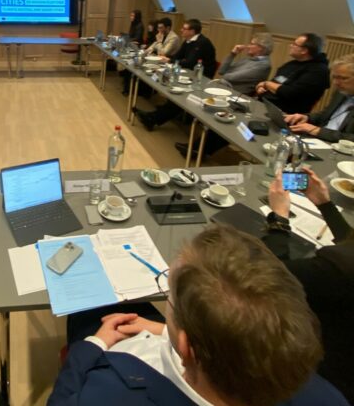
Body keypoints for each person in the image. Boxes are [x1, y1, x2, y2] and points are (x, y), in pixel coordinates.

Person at [48, 225, 346, 405]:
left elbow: (63, 399)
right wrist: (162, 329)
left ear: (187, 349)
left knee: (87, 309)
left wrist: (93, 345)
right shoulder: (326, 396)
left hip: (107, 352)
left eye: (169, 296)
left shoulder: (107, 394)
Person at [265, 166, 354, 402]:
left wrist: (279, 217)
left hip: (318, 376)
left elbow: (272, 277)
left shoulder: (337, 270)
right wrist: (324, 204)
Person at [174, 33, 273, 158]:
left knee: (217, 120)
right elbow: (222, 71)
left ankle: (196, 150)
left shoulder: (263, 65)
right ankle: (195, 146)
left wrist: (224, 78)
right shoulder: (248, 59)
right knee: (188, 93)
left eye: (252, 44)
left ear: (261, 48)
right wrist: (232, 54)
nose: (248, 46)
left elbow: (229, 77)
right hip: (224, 92)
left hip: (237, 100)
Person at [133, 20, 216, 130]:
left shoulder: (202, 42)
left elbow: (190, 62)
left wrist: (169, 60)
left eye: (184, 28)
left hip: (201, 79)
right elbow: (178, 56)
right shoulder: (188, 41)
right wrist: (168, 59)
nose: (181, 30)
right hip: (188, 73)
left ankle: (152, 119)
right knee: (170, 86)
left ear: (192, 31)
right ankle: (155, 115)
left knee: (178, 95)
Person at [284, 53, 354, 142]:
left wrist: (319, 131)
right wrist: (306, 118)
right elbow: (324, 116)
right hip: (319, 140)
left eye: (343, 78)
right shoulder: (341, 93)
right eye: (334, 77)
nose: (336, 83)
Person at [255, 33, 330, 113]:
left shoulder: (318, 71)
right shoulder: (292, 63)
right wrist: (263, 88)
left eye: (295, 44)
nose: (291, 46)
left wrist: (266, 84)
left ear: (304, 50)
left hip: (284, 113)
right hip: (264, 103)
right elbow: (276, 81)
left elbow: (290, 93)